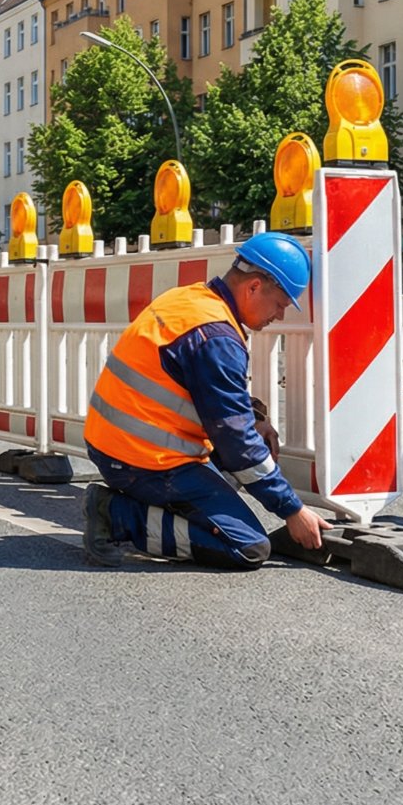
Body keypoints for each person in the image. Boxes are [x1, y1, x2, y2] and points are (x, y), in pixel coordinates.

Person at [81, 231, 332, 569]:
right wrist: (292, 510)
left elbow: (206, 398)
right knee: (247, 547)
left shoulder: (190, 300)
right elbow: (237, 443)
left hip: (116, 445)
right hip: (142, 461)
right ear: (255, 286)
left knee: (248, 438)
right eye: (280, 303)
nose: (280, 316)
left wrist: (252, 419)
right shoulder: (216, 337)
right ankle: (117, 515)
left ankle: (170, 505)